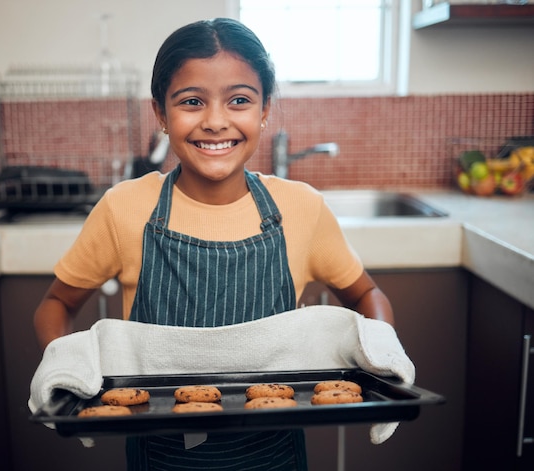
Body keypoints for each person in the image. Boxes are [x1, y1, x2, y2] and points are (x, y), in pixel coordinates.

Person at [34, 17, 395, 471]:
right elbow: (55, 304)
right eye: (191, 102)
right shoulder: (123, 209)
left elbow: (366, 294)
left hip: (275, 455)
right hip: (158, 456)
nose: (216, 121)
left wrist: (384, 357)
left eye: (239, 100)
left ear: (265, 109)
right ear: (161, 114)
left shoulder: (301, 208)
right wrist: (67, 372)